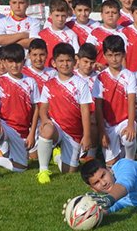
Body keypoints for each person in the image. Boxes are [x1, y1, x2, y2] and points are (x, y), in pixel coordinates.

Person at [34, 43, 94, 184]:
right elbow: (43, 107)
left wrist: (86, 135)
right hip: (56, 127)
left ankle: (57, 156)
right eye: (61, 61)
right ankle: (43, 171)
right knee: (47, 130)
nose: (65, 64)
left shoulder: (81, 84)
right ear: (54, 63)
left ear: (74, 62)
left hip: (74, 132)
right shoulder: (49, 84)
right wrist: (44, 120)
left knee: (69, 171)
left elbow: (85, 111)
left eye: (68, 60)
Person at [0, 44, 42, 183]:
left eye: (18, 61)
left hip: (21, 131)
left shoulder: (31, 82)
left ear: (24, 61)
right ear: (4, 62)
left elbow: (36, 109)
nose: (14, 65)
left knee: (22, 167)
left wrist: (32, 133)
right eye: (10, 62)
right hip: (5, 125)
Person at [98, 35, 137, 164]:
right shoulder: (100, 78)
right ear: (104, 56)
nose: (114, 59)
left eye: (117, 54)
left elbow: (132, 102)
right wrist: (102, 131)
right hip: (107, 124)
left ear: (124, 54)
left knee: (129, 138)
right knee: (112, 165)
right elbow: (98, 107)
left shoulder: (129, 75)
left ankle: (130, 162)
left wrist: (131, 125)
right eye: (110, 55)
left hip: (124, 121)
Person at [39, 0, 80, 65]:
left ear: (67, 15)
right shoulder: (42, 35)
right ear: (50, 15)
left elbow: (76, 57)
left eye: (63, 16)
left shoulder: (72, 35)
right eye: (57, 15)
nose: (60, 19)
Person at [91, 0, 124, 65]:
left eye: (114, 13)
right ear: (101, 15)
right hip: (100, 71)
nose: (110, 15)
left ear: (119, 15)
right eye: (107, 12)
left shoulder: (125, 32)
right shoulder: (95, 33)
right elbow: (89, 54)